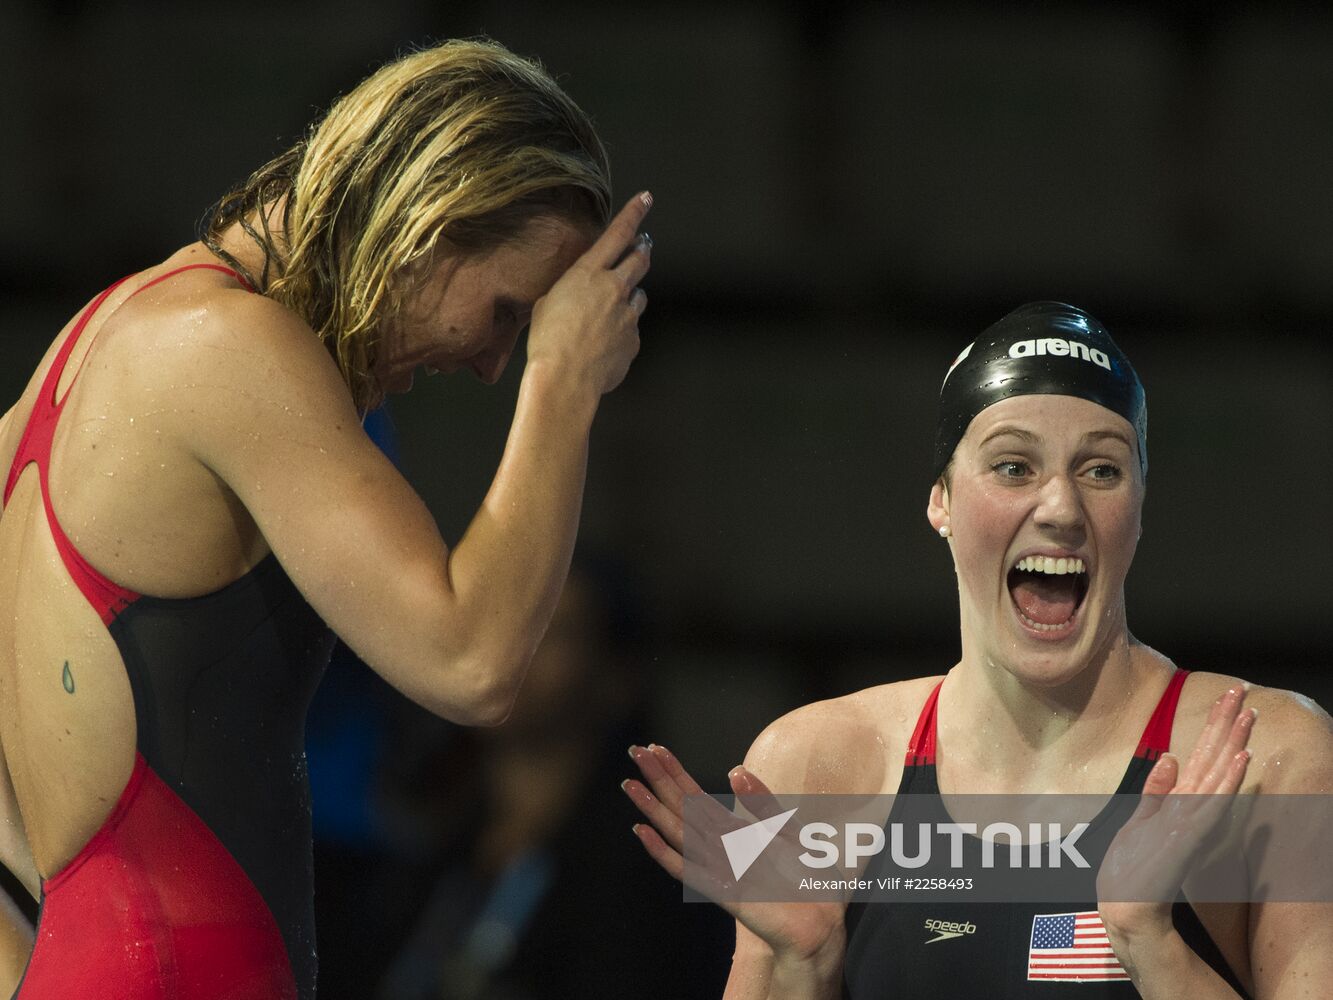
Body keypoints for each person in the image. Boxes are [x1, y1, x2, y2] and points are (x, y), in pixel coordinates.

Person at [0, 38, 651, 1000]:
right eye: (512, 312)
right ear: (430, 221)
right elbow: (471, 664)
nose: (492, 363)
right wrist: (565, 381)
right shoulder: (231, 347)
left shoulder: (84, 348)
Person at [624, 303, 1333, 998]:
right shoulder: (824, 764)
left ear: (1139, 508)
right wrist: (802, 965)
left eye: (1101, 470)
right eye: (1013, 467)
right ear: (940, 501)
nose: (1059, 508)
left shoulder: (1261, 758)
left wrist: (1150, 945)